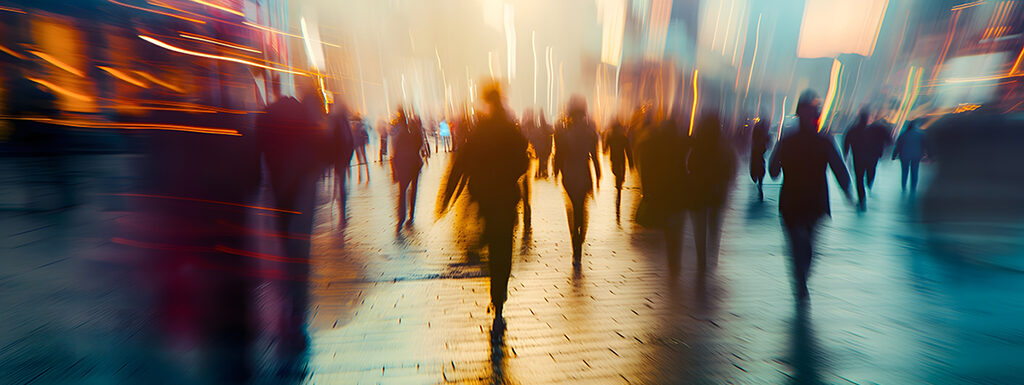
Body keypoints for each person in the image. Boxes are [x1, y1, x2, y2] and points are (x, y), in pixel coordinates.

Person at [437, 83, 528, 318]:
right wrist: (509, 177)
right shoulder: (510, 129)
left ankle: (495, 294)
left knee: (493, 242)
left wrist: (447, 197)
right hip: (506, 198)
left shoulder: (481, 130)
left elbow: (461, 164)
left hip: (487, 199)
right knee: (504, 249)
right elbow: (523, 161)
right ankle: (500, 295)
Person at [768, 90, 852, 302]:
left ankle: (799, 278)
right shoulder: (823, 142)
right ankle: (801, 277)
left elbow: (773, 171)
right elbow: (839, 169)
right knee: (807, 244)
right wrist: (848, 191)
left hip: (792, 200)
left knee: (798, 243)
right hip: (814, 201)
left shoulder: (788, 141)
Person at [553, 96, 601, 262]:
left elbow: (558, 155)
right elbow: (594, 155)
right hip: (584, 173)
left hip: (569, 174)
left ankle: (575, 237)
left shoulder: (563, 134)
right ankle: (580, 236)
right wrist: (598, 173)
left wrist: (556, 170)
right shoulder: (590, 134)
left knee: (573, 206)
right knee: (581, 206)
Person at [688, 114, 736, 271]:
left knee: (699, 225)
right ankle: (712, 253)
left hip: (698, 191)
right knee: (715, 224)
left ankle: (701, 257)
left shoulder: (697, 144)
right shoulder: (723, 145)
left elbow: (690, 165)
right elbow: (731, 166)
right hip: (717, 191)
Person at [843, 108, 893, 210]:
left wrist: (846, 153)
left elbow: (846, 141)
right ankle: (869, 183)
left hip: (858, 158)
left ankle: (862, 199)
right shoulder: (878, 129)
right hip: (872, 157)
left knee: (859, 178)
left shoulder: (853, 129)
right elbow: (889, 140)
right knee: (870, 171)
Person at [390, 108, 425, 232]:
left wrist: (395, 170)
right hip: (415, 164)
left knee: (403, 191)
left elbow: (395, 153)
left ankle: (401, 218)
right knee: (413, 189)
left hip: (405, 165)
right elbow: (420, 145)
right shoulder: (415, 132)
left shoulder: (401, 134)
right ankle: (411, 214)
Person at [605, 118, 632, 220]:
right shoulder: (623, 137)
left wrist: (605, 149)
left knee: (617, 173)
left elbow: (606, 147)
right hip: (621, 159)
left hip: (615, 159)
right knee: (620, 175)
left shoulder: (612, 137)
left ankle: (619, 184)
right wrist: (631, 162)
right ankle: (619, 185)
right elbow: (628, 151)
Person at [892, 118, 926, 194]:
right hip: (916, 155)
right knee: (914, 171)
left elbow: (898, 146)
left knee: (904, 171)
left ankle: (904, 187)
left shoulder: (903, 135)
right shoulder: (920, 135)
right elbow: (924, 145)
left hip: (904, 155)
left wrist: (894, 155)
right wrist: (925, 154)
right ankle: (913, 187)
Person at [749, 116, 771, 201]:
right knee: (760, 167)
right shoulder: (763, 129)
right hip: (760, 152)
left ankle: (756, 179)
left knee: (757, 166)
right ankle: (759, 182)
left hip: (757, 151)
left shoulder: (758, 128)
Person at [532, 111, 554, 178]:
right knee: (545, 159)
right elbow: (552, 132)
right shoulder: (548, 127)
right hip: (546, 145)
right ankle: (544, 172)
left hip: (541, 146)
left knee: (541, 159)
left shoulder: (539, 128)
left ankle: (539, 173)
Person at [351, 114, 371, 183]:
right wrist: (367, 141)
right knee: (363, 158)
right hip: (360, 142)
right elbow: (365, 134)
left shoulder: (353, 126)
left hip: (357, 143)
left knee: (359, 159)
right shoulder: (361, 125)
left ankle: (361, 176)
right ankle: (367, 174)